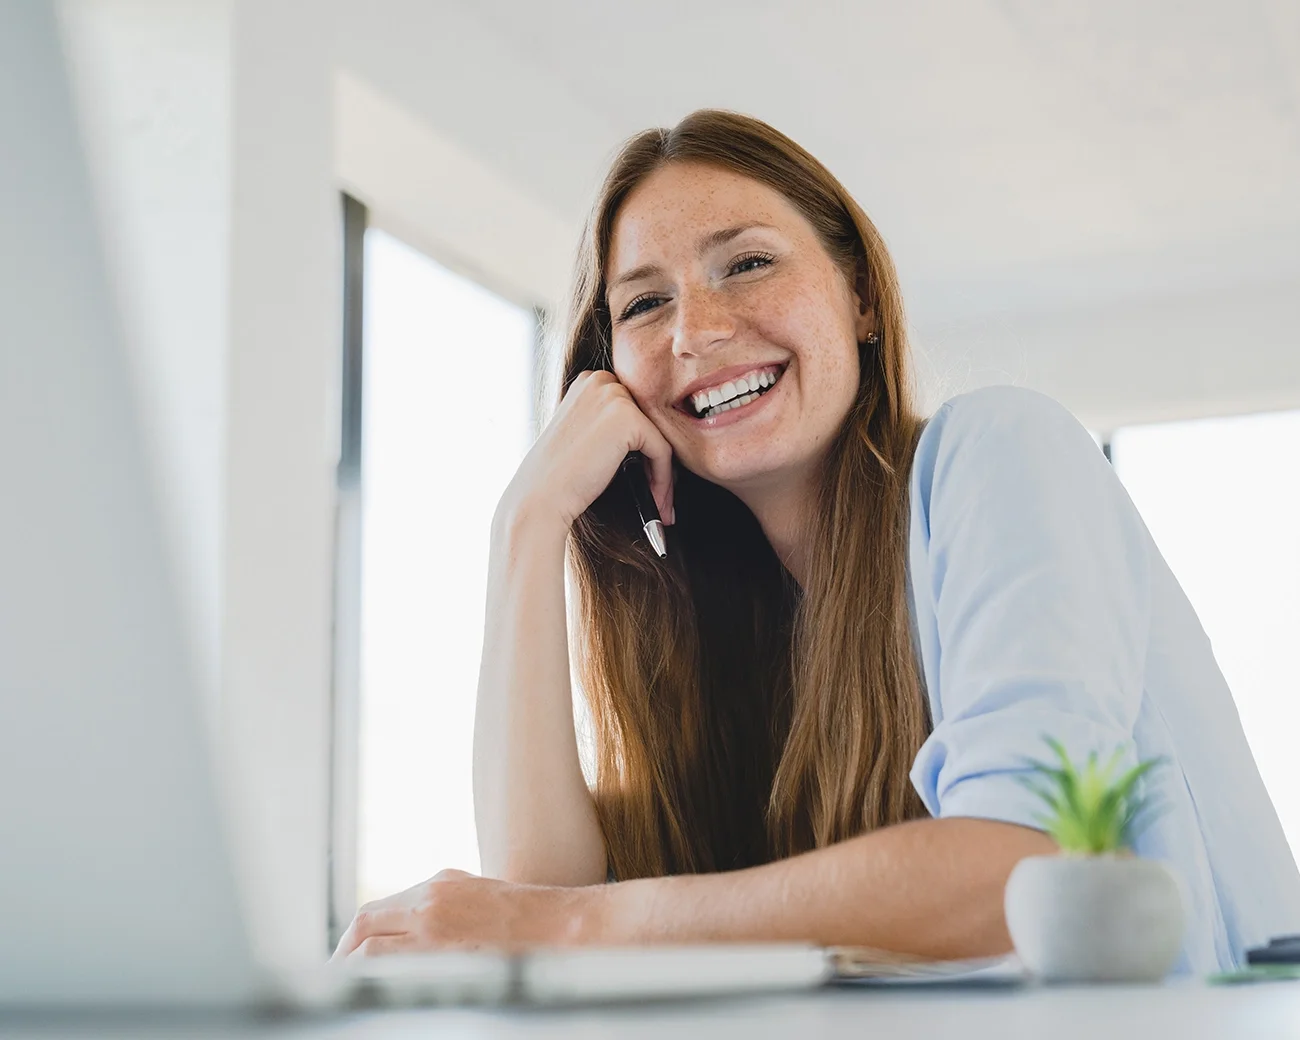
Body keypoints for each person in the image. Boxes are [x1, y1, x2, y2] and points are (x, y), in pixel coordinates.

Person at [332, 109, 1300, 973]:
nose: (695, 332)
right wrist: (526, 525)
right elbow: (536, 907)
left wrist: (573, 927)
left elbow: (1020, 867)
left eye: (746, 262)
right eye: (642, 303)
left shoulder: (996, 453)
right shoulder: (727, 627)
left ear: (860, 299)